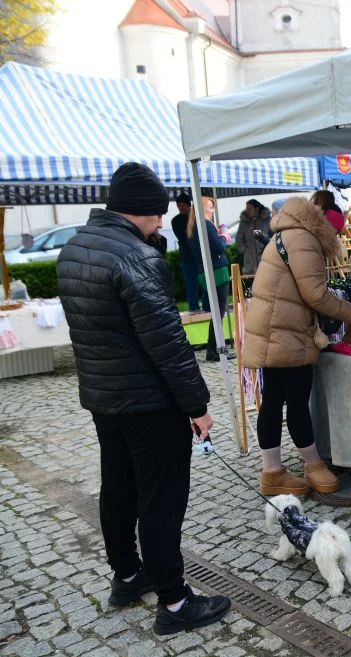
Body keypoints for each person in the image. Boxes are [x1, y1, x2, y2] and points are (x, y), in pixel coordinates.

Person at [55, 162, 230, 635]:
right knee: (161, 500)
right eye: (156, 214)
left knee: (119, 488)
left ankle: (128, 575)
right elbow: (168, 343)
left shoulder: (74, 249)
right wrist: (197, 406)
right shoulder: (136, 257)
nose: (162, 221)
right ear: (143, 211)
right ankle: (174, 603)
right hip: (148, 403)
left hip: (103, 398)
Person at [243, 197, 351, 496]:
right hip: (285, 331)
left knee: (274, 399)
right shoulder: (304, 239)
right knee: (297, 399)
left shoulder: (288, 232)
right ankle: (313, 464)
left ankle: (272, 471)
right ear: (327, 229)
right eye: (337, 235)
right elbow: (316, 294)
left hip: (275, 327)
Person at [187, 196, 231, 362]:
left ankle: (214, 349)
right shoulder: (205, 224)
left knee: (216, 312)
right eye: (210, 207)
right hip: (217, 271)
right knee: (218, 313)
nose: (213, 210)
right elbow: (219, 247)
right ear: (202, 208)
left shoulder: (194, 225)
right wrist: (224, 236)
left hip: (206, 271)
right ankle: (213, 351)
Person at [171, 193, 209, 312]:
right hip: (187, 258)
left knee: (206, 284)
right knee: (191, 286)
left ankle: (208, 307)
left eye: (183, 205)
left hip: (201, 256)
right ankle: (194, 309)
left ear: (189, 205)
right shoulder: (176, 221)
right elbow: (184, 236)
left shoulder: (198, 217)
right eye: (178, 206)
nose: (181, 208)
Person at [235, 199, 272, 275]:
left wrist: (268, 249)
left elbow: (273, 235)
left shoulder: (267, 220)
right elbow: (239, 238)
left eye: (249, 209)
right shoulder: (244, 222)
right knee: (252, 283)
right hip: (250, 261)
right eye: (246, 209)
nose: (247, 211)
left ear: (257, 209)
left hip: (266, 257)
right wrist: (245, 251)